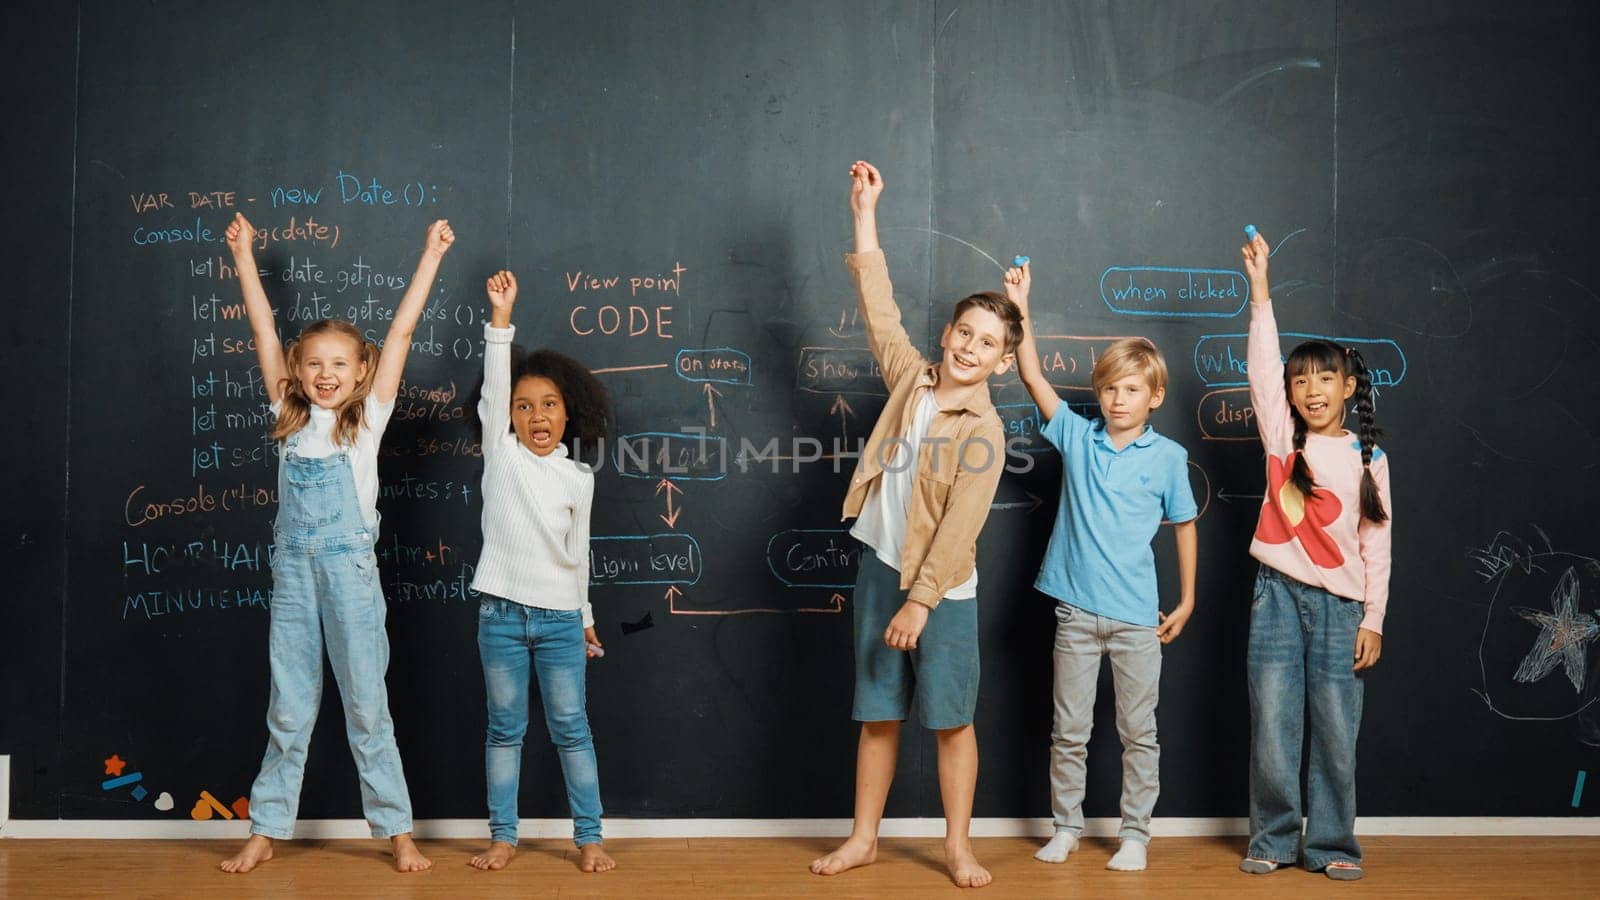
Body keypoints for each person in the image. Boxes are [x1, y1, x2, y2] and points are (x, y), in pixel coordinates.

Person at [218, 212, 454, 874]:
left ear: (359, 373)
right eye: (314, 364)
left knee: (366, 706)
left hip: (350, 573)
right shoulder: (287, 414)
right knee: (288, 708)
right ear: (297, 370)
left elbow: (402, 330)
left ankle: (397, 831)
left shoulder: (368, 419)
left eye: (339, 365)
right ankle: (266, 827)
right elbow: (263, 328)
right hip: (293, 574)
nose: (326, 374)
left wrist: (430, 255)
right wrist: (243, 257)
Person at [809, 160, 1022, 889]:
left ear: (1001, 362)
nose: (969, 347)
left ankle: (959, 847)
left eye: (987, 343)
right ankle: (864, 838)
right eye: (965, 332)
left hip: (939, 592)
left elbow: (959, 532)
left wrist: (921, 601)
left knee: (951, 719)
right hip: (878, 567)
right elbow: (879, 309)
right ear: (947, 333)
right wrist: (864, 213)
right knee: (877, 713)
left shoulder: (984, 432)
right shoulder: (911, 378)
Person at [1006, 261, 1198, 872]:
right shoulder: (1075, 436)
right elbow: (1031, 371)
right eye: (1111, 388)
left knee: (1139, 734)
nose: (1119, 399)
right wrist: (1022, 304)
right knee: (1070, 732)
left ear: (1154, 397)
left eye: (1133, 389)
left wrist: (1187, 599)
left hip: (1139, 618)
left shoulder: (1168, 457)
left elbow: (1185, 526)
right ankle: (1066, 826)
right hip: (1077, 614)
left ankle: (1135, 834)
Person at [1236, 228, 1392, 882]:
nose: (1311, 388)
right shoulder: (1283, 442)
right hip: (1276, 595)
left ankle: (1331, 845)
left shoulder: (1368, 457)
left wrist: (1373, 619)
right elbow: (1262, 369)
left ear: (1350, 385)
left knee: (1335, 733)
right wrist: (1261, 292)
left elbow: (1377, 543)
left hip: (1340, 609)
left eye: (1325, 377)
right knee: (1272, 724)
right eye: (1301, 380)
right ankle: (1273, 839)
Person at [466, 270, 615, 874]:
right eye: (523, 407)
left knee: (572, 730)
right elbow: (494, 387)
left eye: (548, 404)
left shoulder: (579, 478)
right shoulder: (500, 454)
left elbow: (578, 556)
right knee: (505, 732)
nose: (536, 415)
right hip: (499, 617)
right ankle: (504, 837)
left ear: (567, 411)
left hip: (558, 620)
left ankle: (590, 838)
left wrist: (584, 620)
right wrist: (501, 318)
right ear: (509, 417)